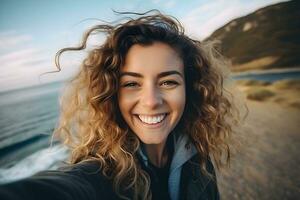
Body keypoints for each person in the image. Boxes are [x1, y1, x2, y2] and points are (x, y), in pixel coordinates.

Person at [0, 10, 238, 200]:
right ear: (112, 94)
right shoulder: (101, 175)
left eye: (168, 82)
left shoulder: (197, 155)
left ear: (190, 88)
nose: (152, 101)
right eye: (132, 84)